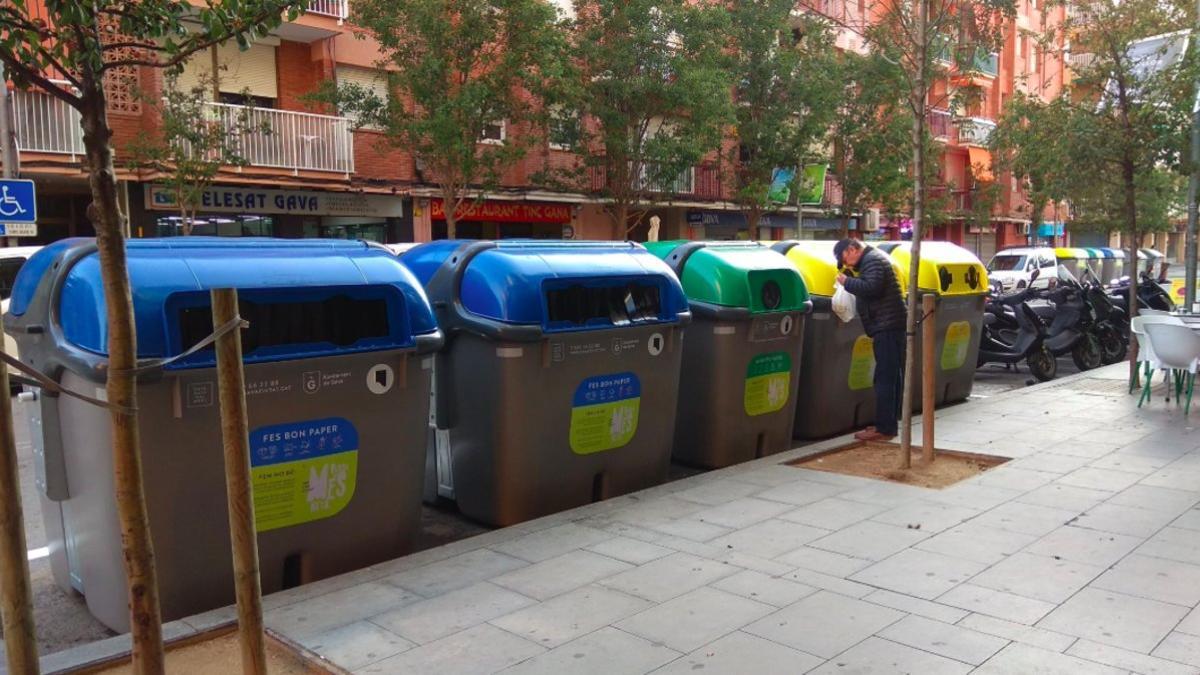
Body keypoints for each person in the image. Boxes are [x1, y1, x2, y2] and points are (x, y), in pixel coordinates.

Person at [834, 238, 907, 441]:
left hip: (887, 326)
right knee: (891, 376)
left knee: (884, 377)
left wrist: (846, 282)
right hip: (889, 324)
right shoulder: (874, 258)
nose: (847, 264)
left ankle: (884, 428)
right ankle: (887, 424)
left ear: (852, 249)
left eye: (845, 259)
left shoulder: (872, 260)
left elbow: (872, 287)